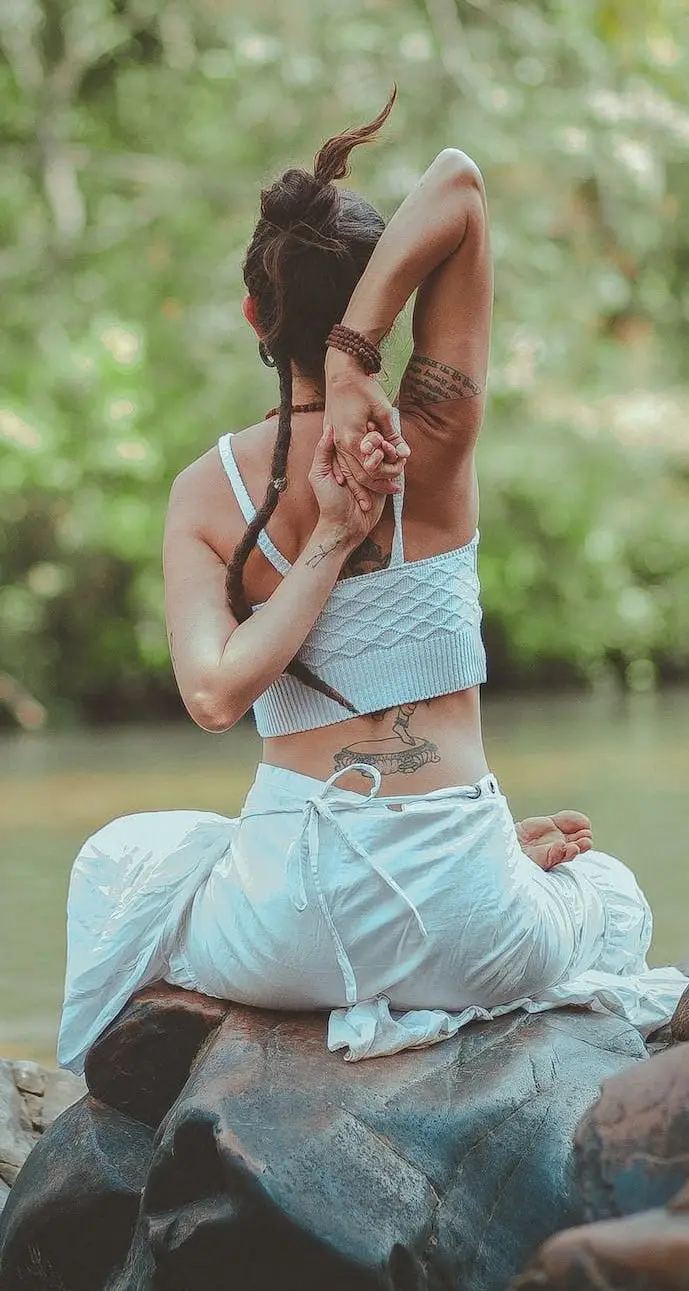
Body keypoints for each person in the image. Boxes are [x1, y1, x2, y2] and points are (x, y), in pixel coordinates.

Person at [58, 88, 686, 1074]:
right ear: (375, 298)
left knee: (125, 863)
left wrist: (311, 532)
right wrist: (361, 356)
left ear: (251, 314)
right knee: (605, 892)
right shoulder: (428, 437)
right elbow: (458, 185)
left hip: (287, 922)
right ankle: (484, 882)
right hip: (465, 917)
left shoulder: (203, 496)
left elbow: (215, 693)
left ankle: (201, 1025)